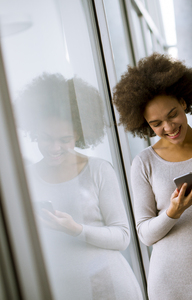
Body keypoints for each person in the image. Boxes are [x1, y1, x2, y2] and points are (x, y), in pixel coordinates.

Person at [112, 53, 192, 299]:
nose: (169, 127)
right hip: (169, 282)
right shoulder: (143, 162)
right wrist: (174, 210)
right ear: (144, 124)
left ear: (184, 102)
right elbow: (146, 235)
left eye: (172, 114)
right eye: (156, 123)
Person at [16, 73, 143, 300]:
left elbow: (123, 236)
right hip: (56, 291)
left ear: (79, 135)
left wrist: (76, 229)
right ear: (34, 132)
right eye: (46, 138)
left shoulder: (98, 170)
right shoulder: (26, 177)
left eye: (64, 140)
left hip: (108, 288)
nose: (55, 147)